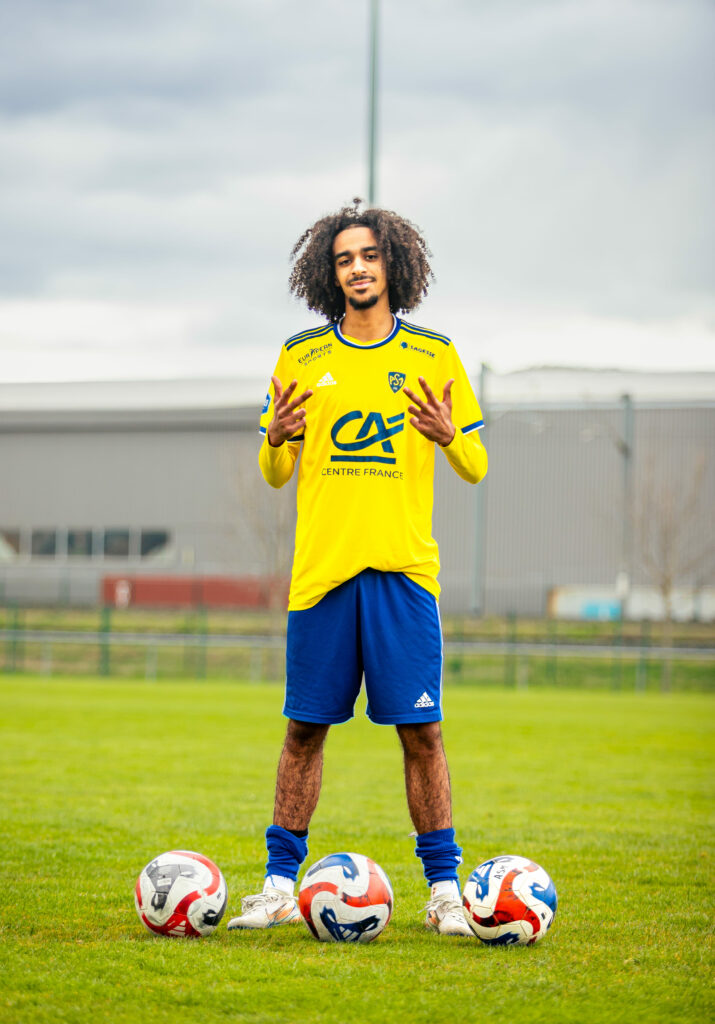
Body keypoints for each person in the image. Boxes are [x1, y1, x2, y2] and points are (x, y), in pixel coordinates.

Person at [227, 200, 488, 937]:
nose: (358, 268)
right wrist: (275, 436)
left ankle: (444, 892)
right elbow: (275, 472)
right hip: (322, 577)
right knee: (303, 733)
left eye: (369, 255)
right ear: (329, 273)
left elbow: (475, 464)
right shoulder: (300, 357)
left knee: (422, 735)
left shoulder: (434, 355)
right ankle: (278, 885)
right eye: (344, 259)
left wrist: (448, 436)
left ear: (392, 264)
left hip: (403, 576)